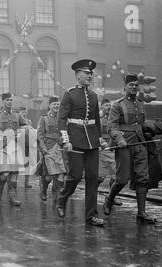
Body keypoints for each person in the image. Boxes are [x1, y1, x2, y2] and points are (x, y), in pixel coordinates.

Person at [56, 59, 107, 227]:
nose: (90, 76)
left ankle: (91, 215)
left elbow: (96, 120)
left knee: (93, 178)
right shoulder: (69, 94)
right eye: (86, 73)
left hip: (91, 141)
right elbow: (62, 119)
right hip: (75, 140)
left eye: (91, 73)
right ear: (78, 75)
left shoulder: (93, 96)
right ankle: (62, 199)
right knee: (75, 176)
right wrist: (65, 141)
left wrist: (99, 138)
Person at [103, 74, 157, 224]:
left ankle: (141, 213)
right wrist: (119, 139)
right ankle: (109, 199)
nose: (133, 87)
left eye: (135, 85)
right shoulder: (117, 105)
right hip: (124, 145)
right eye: (130, 85)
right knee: (122, 179)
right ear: (124, 88)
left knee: (143, 178)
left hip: (140, 144)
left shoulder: (140, 104)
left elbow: (141, 124)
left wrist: (151, 131)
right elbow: (111, 126)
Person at [0, 92, 28, 206]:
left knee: (14, 173)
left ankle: (12, 197)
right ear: (3, 102)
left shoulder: (17, 115)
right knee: (5, 173)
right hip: (3, 147)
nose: (9, 102)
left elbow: (25, 125)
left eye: (11, 100)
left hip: (15, 146)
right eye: (7, 100)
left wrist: (23, 132)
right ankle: (0, 188)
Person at [36, 96, 66, 201]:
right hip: (48, 148)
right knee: (49, 176)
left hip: (60, 148)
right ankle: (43, 188)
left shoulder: (62, 118)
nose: (56, 106)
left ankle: (58, 196)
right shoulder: (44, 118)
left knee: (61, 172)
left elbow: (65, 132)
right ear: (49, 106)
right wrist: (43, 149)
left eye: (58, 104)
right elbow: (40, 135)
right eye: (54, 104)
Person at [98, 99, 123, 206]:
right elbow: (96, 134)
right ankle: (91, 192)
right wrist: (102, 143)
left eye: (109, 105)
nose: (108, 107)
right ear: (102, 107)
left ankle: (112, 196)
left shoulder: (114, 119)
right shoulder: (98, 119)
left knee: (116, 175)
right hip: (103, 149)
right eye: (106, 105)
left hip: (114, 147)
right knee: (100, 177)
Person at [19, 106, 33, 189]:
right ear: (19, 113)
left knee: (27, 164)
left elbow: (31, 132)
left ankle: (26, 182)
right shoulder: (16, 120)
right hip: (18, 144)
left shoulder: (29, 121)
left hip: (27, 144)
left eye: (25, 112)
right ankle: (13, 182)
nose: (24, 114)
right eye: (22, 112)